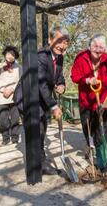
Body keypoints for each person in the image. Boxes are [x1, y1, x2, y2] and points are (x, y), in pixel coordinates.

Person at [71, 34, 107, 164]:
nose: (98, 49)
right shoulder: (81, 57)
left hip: (103, 101)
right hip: (86, 100)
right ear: (89, 47)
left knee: (103, 128)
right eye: (95, 46)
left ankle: (103, 155)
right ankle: (90, 145)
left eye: (101, 47)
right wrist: (87, 80)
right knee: (87, 126)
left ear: (105, 49)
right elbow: (74, 76)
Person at [37, 25, 69, 175]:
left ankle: (39, 162)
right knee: (38, 131)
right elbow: (41, 83)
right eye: (59, 41)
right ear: (50, 40)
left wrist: (61, 84)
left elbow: (58, 75)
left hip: (43, 99)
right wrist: (54, 106)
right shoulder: (41, 56)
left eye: (65, 42)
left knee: (42, 130)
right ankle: (39, 165)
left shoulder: (60, 57)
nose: (62, 46)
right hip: (30, 97)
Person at [0, 46, 22, 145]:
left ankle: (15, 138)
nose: (10, 56)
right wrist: (3, 90)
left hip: (15, 96)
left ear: (15, 56)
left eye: (13, 55)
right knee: (3, 120)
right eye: (9, 54)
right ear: (5, 54)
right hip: (2, 97)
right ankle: (5, 138)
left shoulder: (19, 67)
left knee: (15, 119)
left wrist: (12, 89)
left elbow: (20, 81)